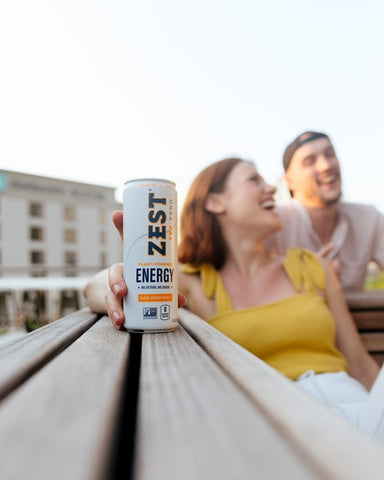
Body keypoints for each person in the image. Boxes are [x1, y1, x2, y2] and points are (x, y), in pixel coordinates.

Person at [84, 157, 384, 440]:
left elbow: (359, 364)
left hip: (359, 411)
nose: (270, 188)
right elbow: (94, 288)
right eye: (254, 179)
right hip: (274, 423)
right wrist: (118, 284)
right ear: (216, 202)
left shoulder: (311, 266)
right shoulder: (195, 281)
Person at [268, 131, 384, 291]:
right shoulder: (274, 224)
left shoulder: (369, 219)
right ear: (289, 181)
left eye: (330, 154)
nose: (326, 166)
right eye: (309, 162)